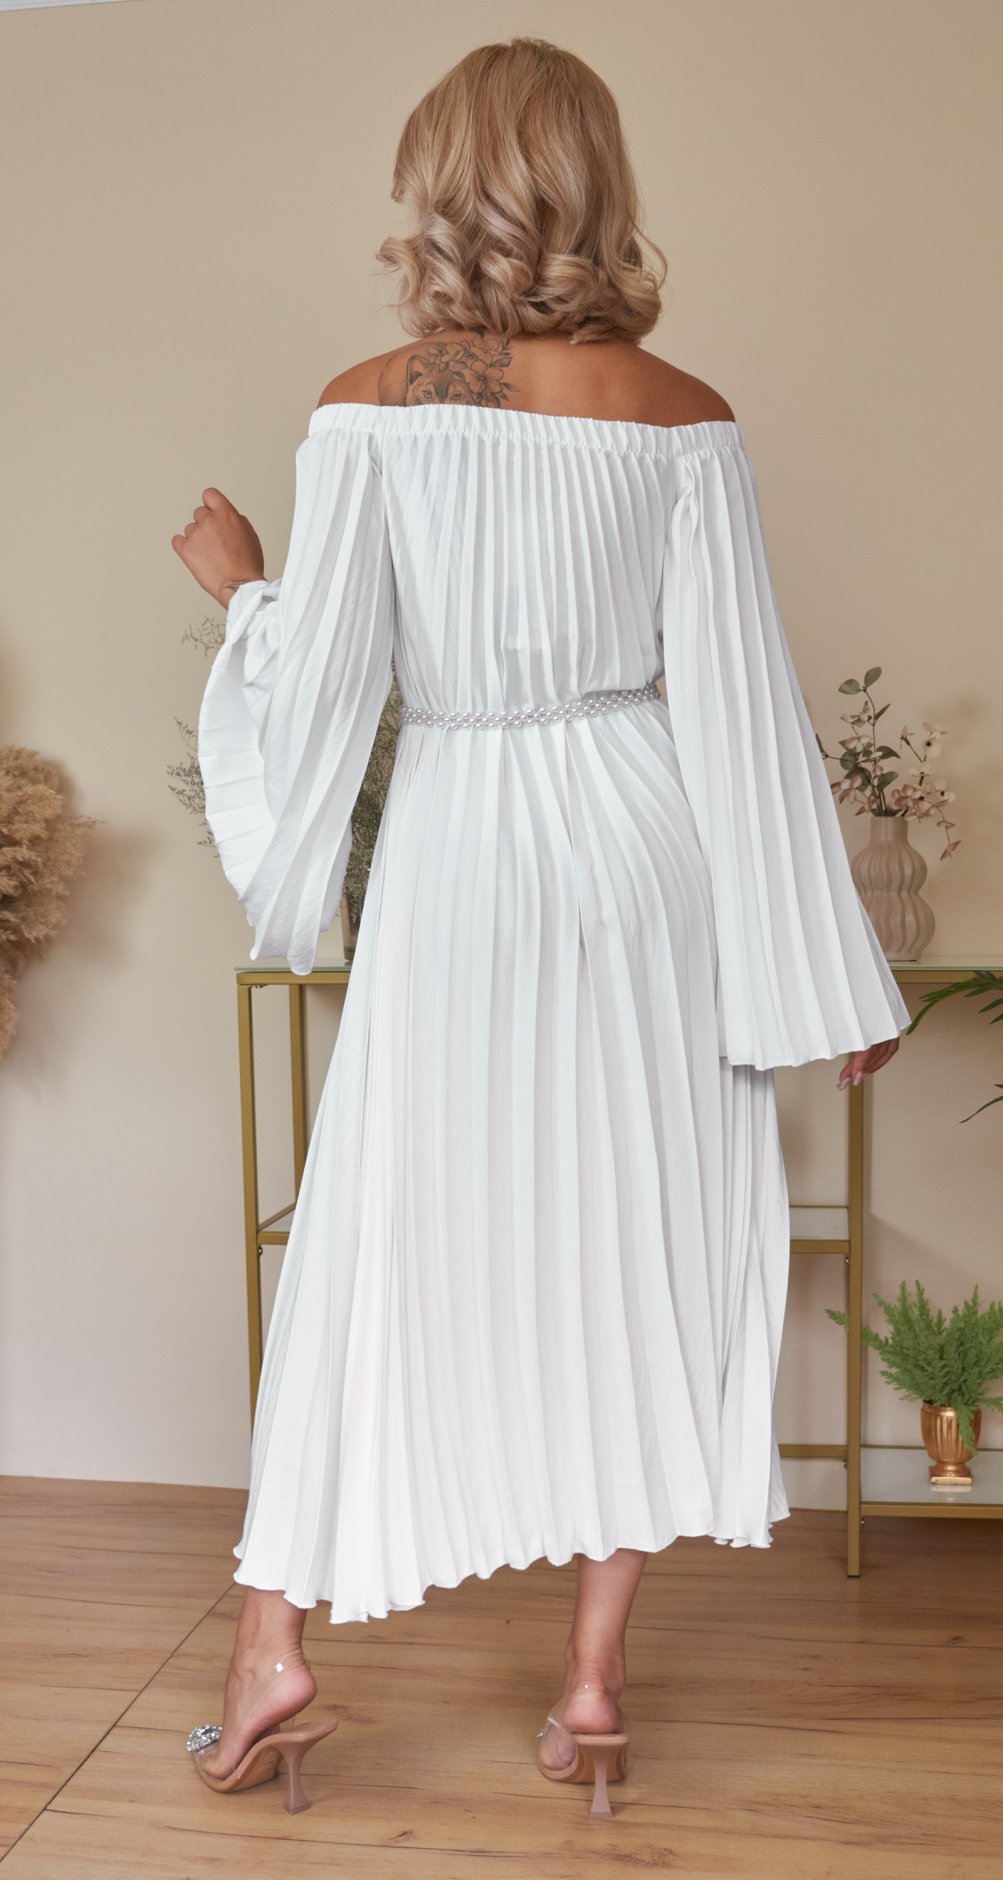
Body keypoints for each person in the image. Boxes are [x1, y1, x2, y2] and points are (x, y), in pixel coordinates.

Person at [171, 34, 908, 1821]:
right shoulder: (680, 413)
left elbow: (328, 690)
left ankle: (270, 1655)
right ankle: (592, 1682)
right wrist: (835, 970)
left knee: (377, 1231)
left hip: (466, 850)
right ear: (599, 185)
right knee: (640, 1239)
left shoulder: (372, 403)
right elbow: (742, 708)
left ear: (438, 188)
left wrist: (244, 590)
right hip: (646, 849)